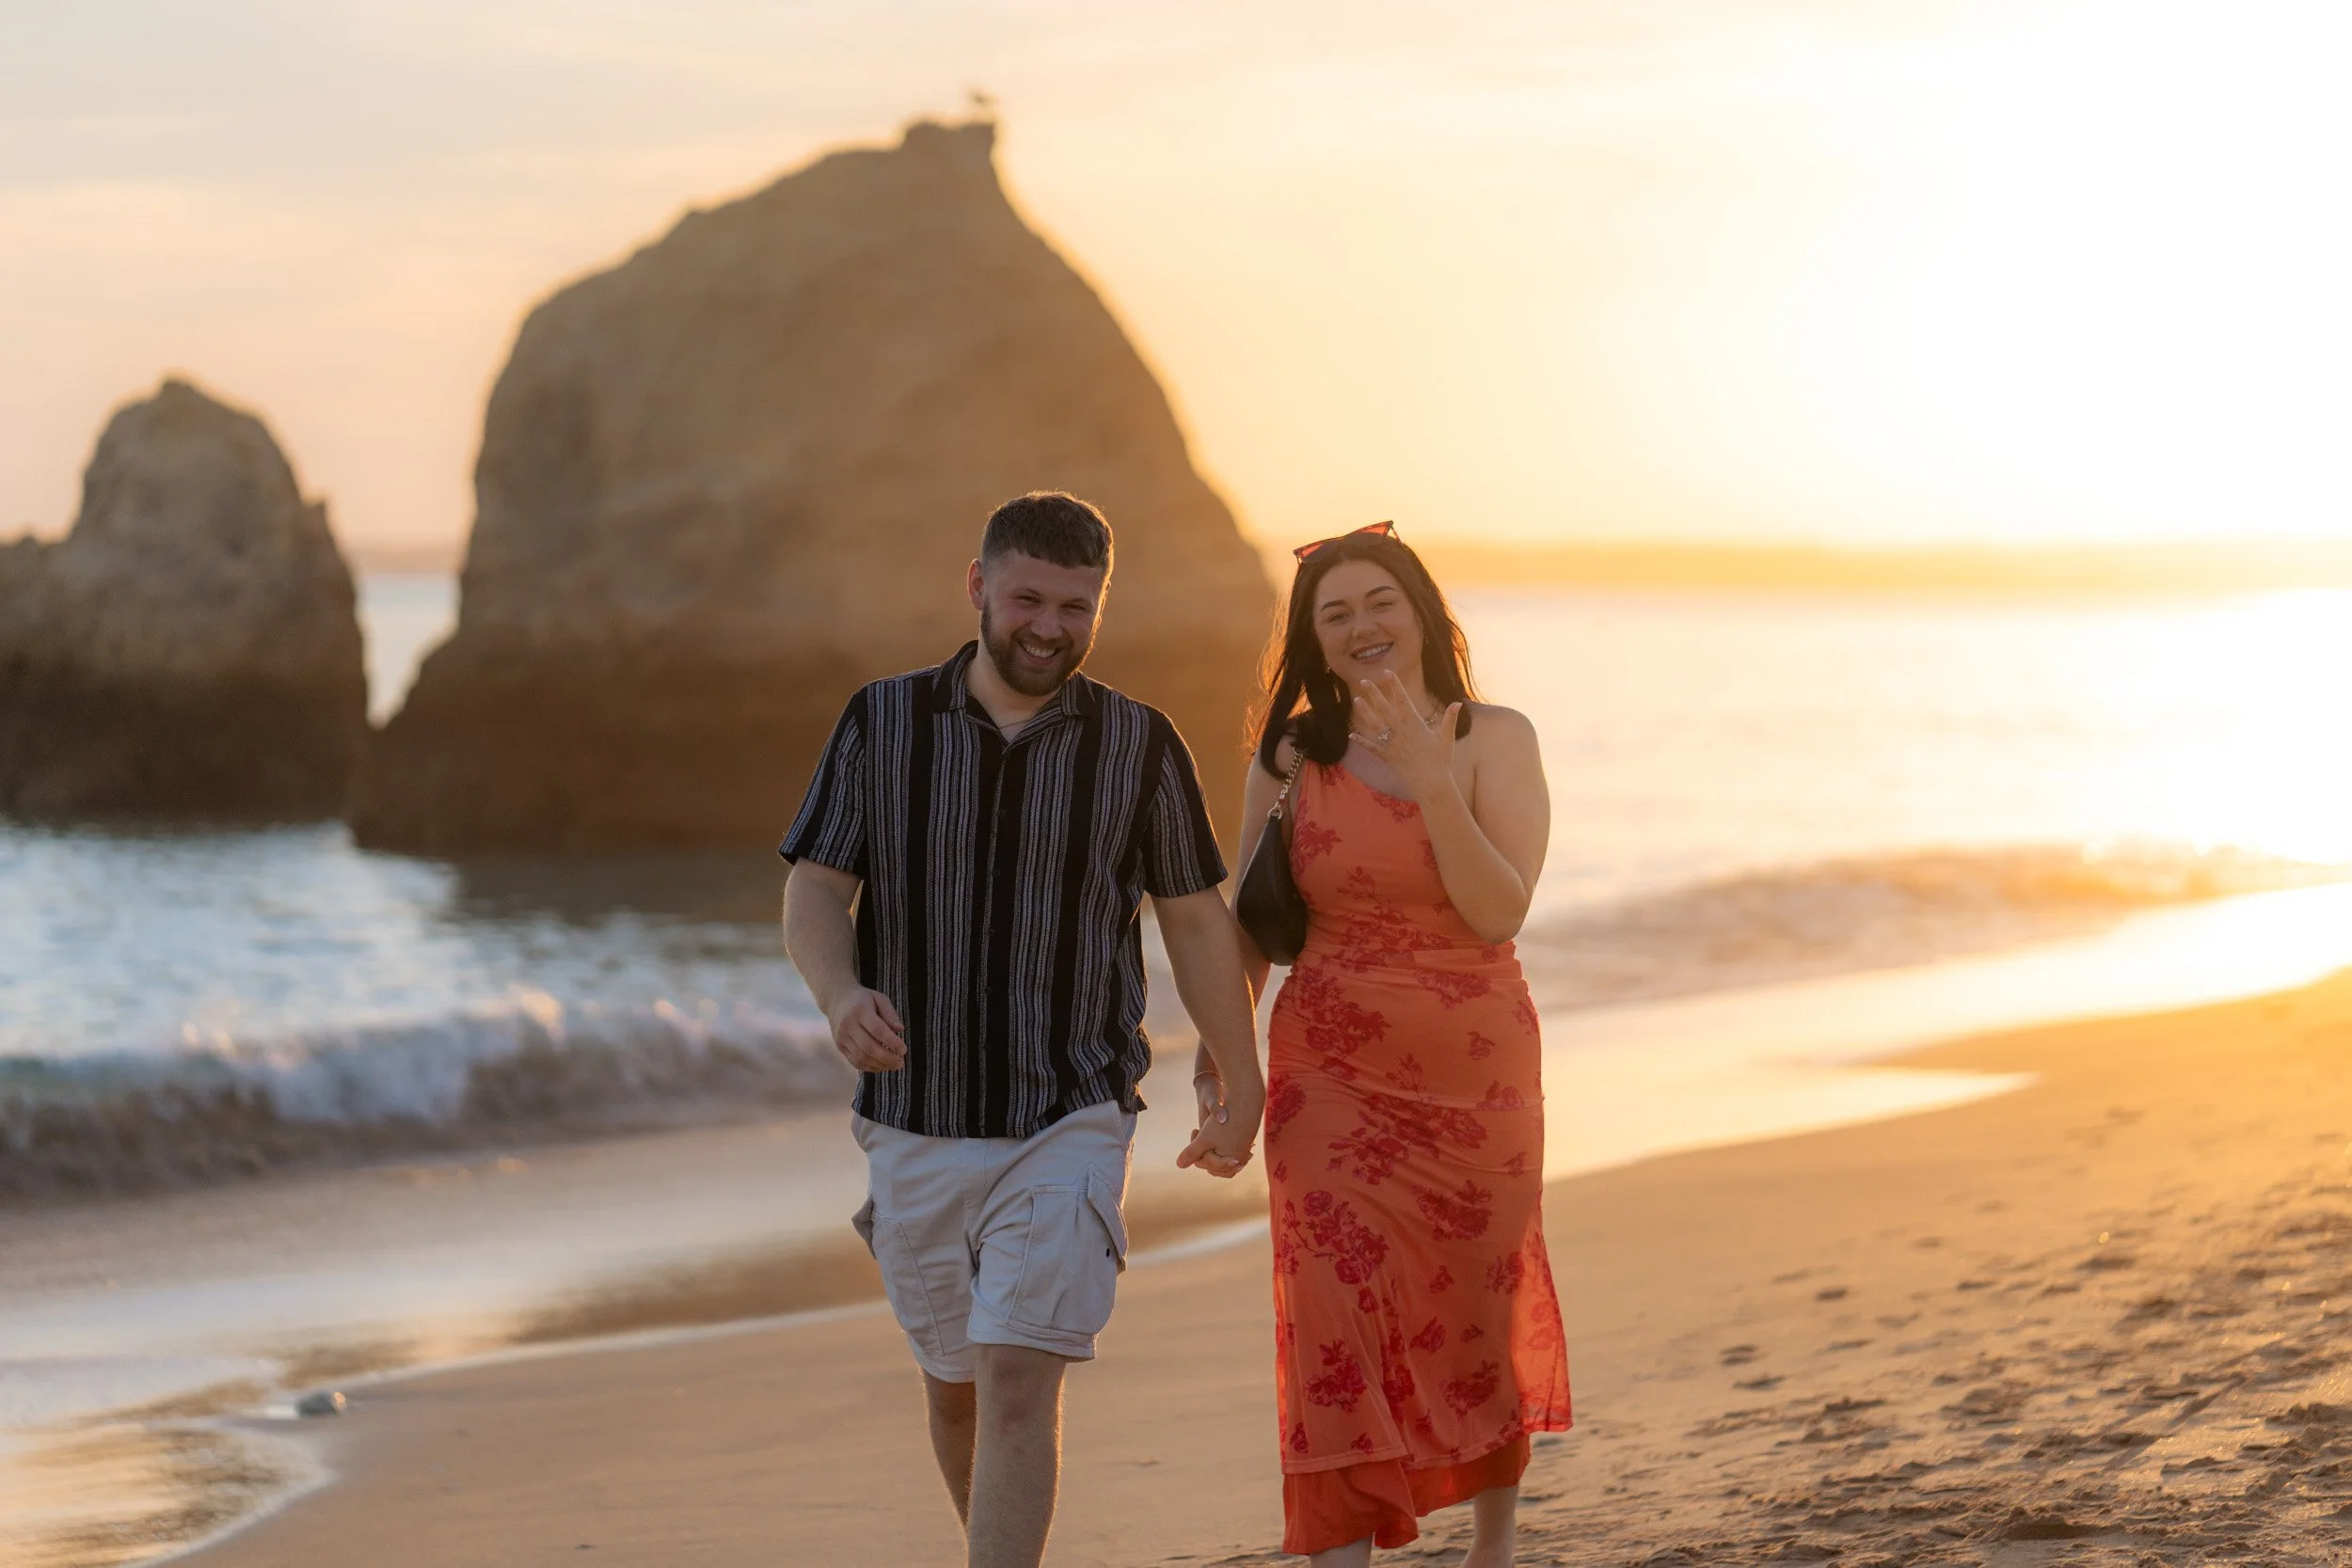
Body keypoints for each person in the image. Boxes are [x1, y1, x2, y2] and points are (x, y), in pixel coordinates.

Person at [780, 491, 1265, 1568]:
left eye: (1076, 607)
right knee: (954, 1389)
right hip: (915, 1117)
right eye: (1028, 599)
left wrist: (1242, 1069)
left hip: (1071, 1111)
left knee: (1011, 1379)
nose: (1049, 625)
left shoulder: (1139, 744)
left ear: (1101, 606)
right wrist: (838, 993)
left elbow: (1191, 916)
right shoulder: (882, 718)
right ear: (978, 586)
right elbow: (816, 888)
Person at [1233, 519, 1570, 1566]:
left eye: (1380, 601)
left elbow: (1496, 912)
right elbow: (1247, 921)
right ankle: (1343, 1547)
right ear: (1315, 641)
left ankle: (1492, 1544)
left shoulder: (1496, 737)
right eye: (1334, 614)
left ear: (1421, 612)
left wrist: (1432, 775)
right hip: (1327, 1070)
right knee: (1331, 1297)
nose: (1361, 625)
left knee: (1477, 1298)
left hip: (1477, 1077)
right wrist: (1222, 1061)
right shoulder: (1290, 752)